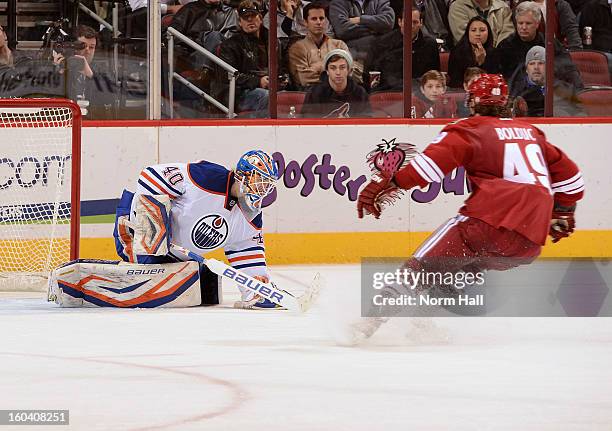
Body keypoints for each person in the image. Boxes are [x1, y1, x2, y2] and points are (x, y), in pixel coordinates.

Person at [353, 74, 584, 342]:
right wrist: (564, 212)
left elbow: (428, 168)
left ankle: (365, 326)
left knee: (419, 271)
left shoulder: (469, 128)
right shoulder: (532, 132)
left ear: (472, 101)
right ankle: (423, 326)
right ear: (505, 102)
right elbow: (571, 177)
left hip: (485, 226)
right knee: (455, 272)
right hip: (528, 244)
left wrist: (386, 183)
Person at [114, 150, 282, 309]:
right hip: (134, 234)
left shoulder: (251, 217)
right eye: (259, 180)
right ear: (243, 175)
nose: (263, 189)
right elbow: (151, 175)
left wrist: (256, 287)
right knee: (151, 270)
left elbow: (247, 251)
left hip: (175, 259)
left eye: (267, 184)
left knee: (207, 287)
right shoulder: (207, 177)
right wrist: (154, 226)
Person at [493, 1, 583, 92]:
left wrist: (579, 93)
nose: (523, 27)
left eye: (528, 23)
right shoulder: (505, 46)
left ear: (537, 24)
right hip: (518, 95)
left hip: (548, 94)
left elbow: (569, 69)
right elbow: (500, 77)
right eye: (520, 23)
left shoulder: (550, 43)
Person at [364, 5, 439, 92]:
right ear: (400, 22)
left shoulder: (430, 45)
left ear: (421, 23)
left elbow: (434, 76)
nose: (411, 26)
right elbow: (370, 76)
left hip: (421, 93)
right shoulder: (381, 44)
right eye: (407, 22)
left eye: (415, 22)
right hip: (389, 93)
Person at [215, 0, 271, 116]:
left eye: (253, 16)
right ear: (240, 22)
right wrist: (258, 81)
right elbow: (228, 75)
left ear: (260, 19)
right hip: (240, 93)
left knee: (290, 96)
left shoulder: (274, 42)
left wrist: (281, 80)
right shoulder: (230, 45)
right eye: (245, 18)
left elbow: (282, 68)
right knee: (266, 96)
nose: (250, 20)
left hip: (270, 87)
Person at [509, 46, 584, 116]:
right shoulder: (516, 91)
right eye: (532, 64)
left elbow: (581, 114)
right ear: (526, 69)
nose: (536, 67)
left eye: (541, 63)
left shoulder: (564, 89)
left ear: (549, 67)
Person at [288, 2, 349, 88]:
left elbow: (351, 71)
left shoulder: (339, 45)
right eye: (314, 19)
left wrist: (318, 67)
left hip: (340, 93)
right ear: (305, 22)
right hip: (312, 95)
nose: (318, 22)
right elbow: (303, 79)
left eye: (321, 18)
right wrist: (334, 71)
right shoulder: (297, 48)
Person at [300, 48, 372, 117]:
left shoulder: (360, 93)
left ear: (349, 71)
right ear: (327, 71)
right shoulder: (314, 93)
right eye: (333, 68)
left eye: (342, 67)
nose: (338, 72)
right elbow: (307, 124)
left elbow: (367, 122)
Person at [447, 16, 497, 88]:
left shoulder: (494, 53)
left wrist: (482, 63)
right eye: (473, 30)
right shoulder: (457, 52)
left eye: (482, 30)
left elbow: (494, 81)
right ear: (468, 33)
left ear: (488, 33)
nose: (477, 34)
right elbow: (454, 82)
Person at [448, 0, 515, 47]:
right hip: (468, 57)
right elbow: (465, 38)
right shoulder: (457, 7)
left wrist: (495, 54)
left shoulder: (503, 7)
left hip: (499, 56)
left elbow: (507, 35)